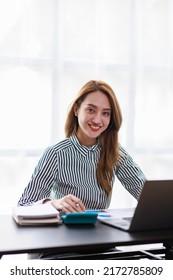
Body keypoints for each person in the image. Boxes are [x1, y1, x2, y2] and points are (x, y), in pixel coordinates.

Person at [18, 80, 146, 213]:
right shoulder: (56, 153)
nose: (97, 120)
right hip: (63, 231)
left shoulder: (115, 152)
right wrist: (54, 203)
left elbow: (145, 193)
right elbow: (24, 205)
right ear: (76, 109)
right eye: (91, 110)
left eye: (105, 113)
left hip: (100, 231)